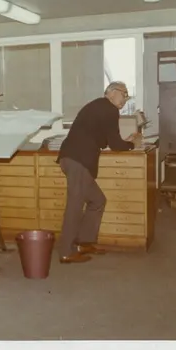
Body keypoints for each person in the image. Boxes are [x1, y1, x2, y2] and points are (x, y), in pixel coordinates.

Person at [56, 81, 142, 264]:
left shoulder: (99, 106)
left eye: (127, 96)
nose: (125, 99)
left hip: (73, 158)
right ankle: (66, 252)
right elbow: (115, 144)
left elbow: (106, 140)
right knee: (75, 206)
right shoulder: (109, 109)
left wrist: (125, 142)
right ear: (111, 92)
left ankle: (84, 242)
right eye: (124, 94)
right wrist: (132, 144)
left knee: (97, 200)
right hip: (78, 160)